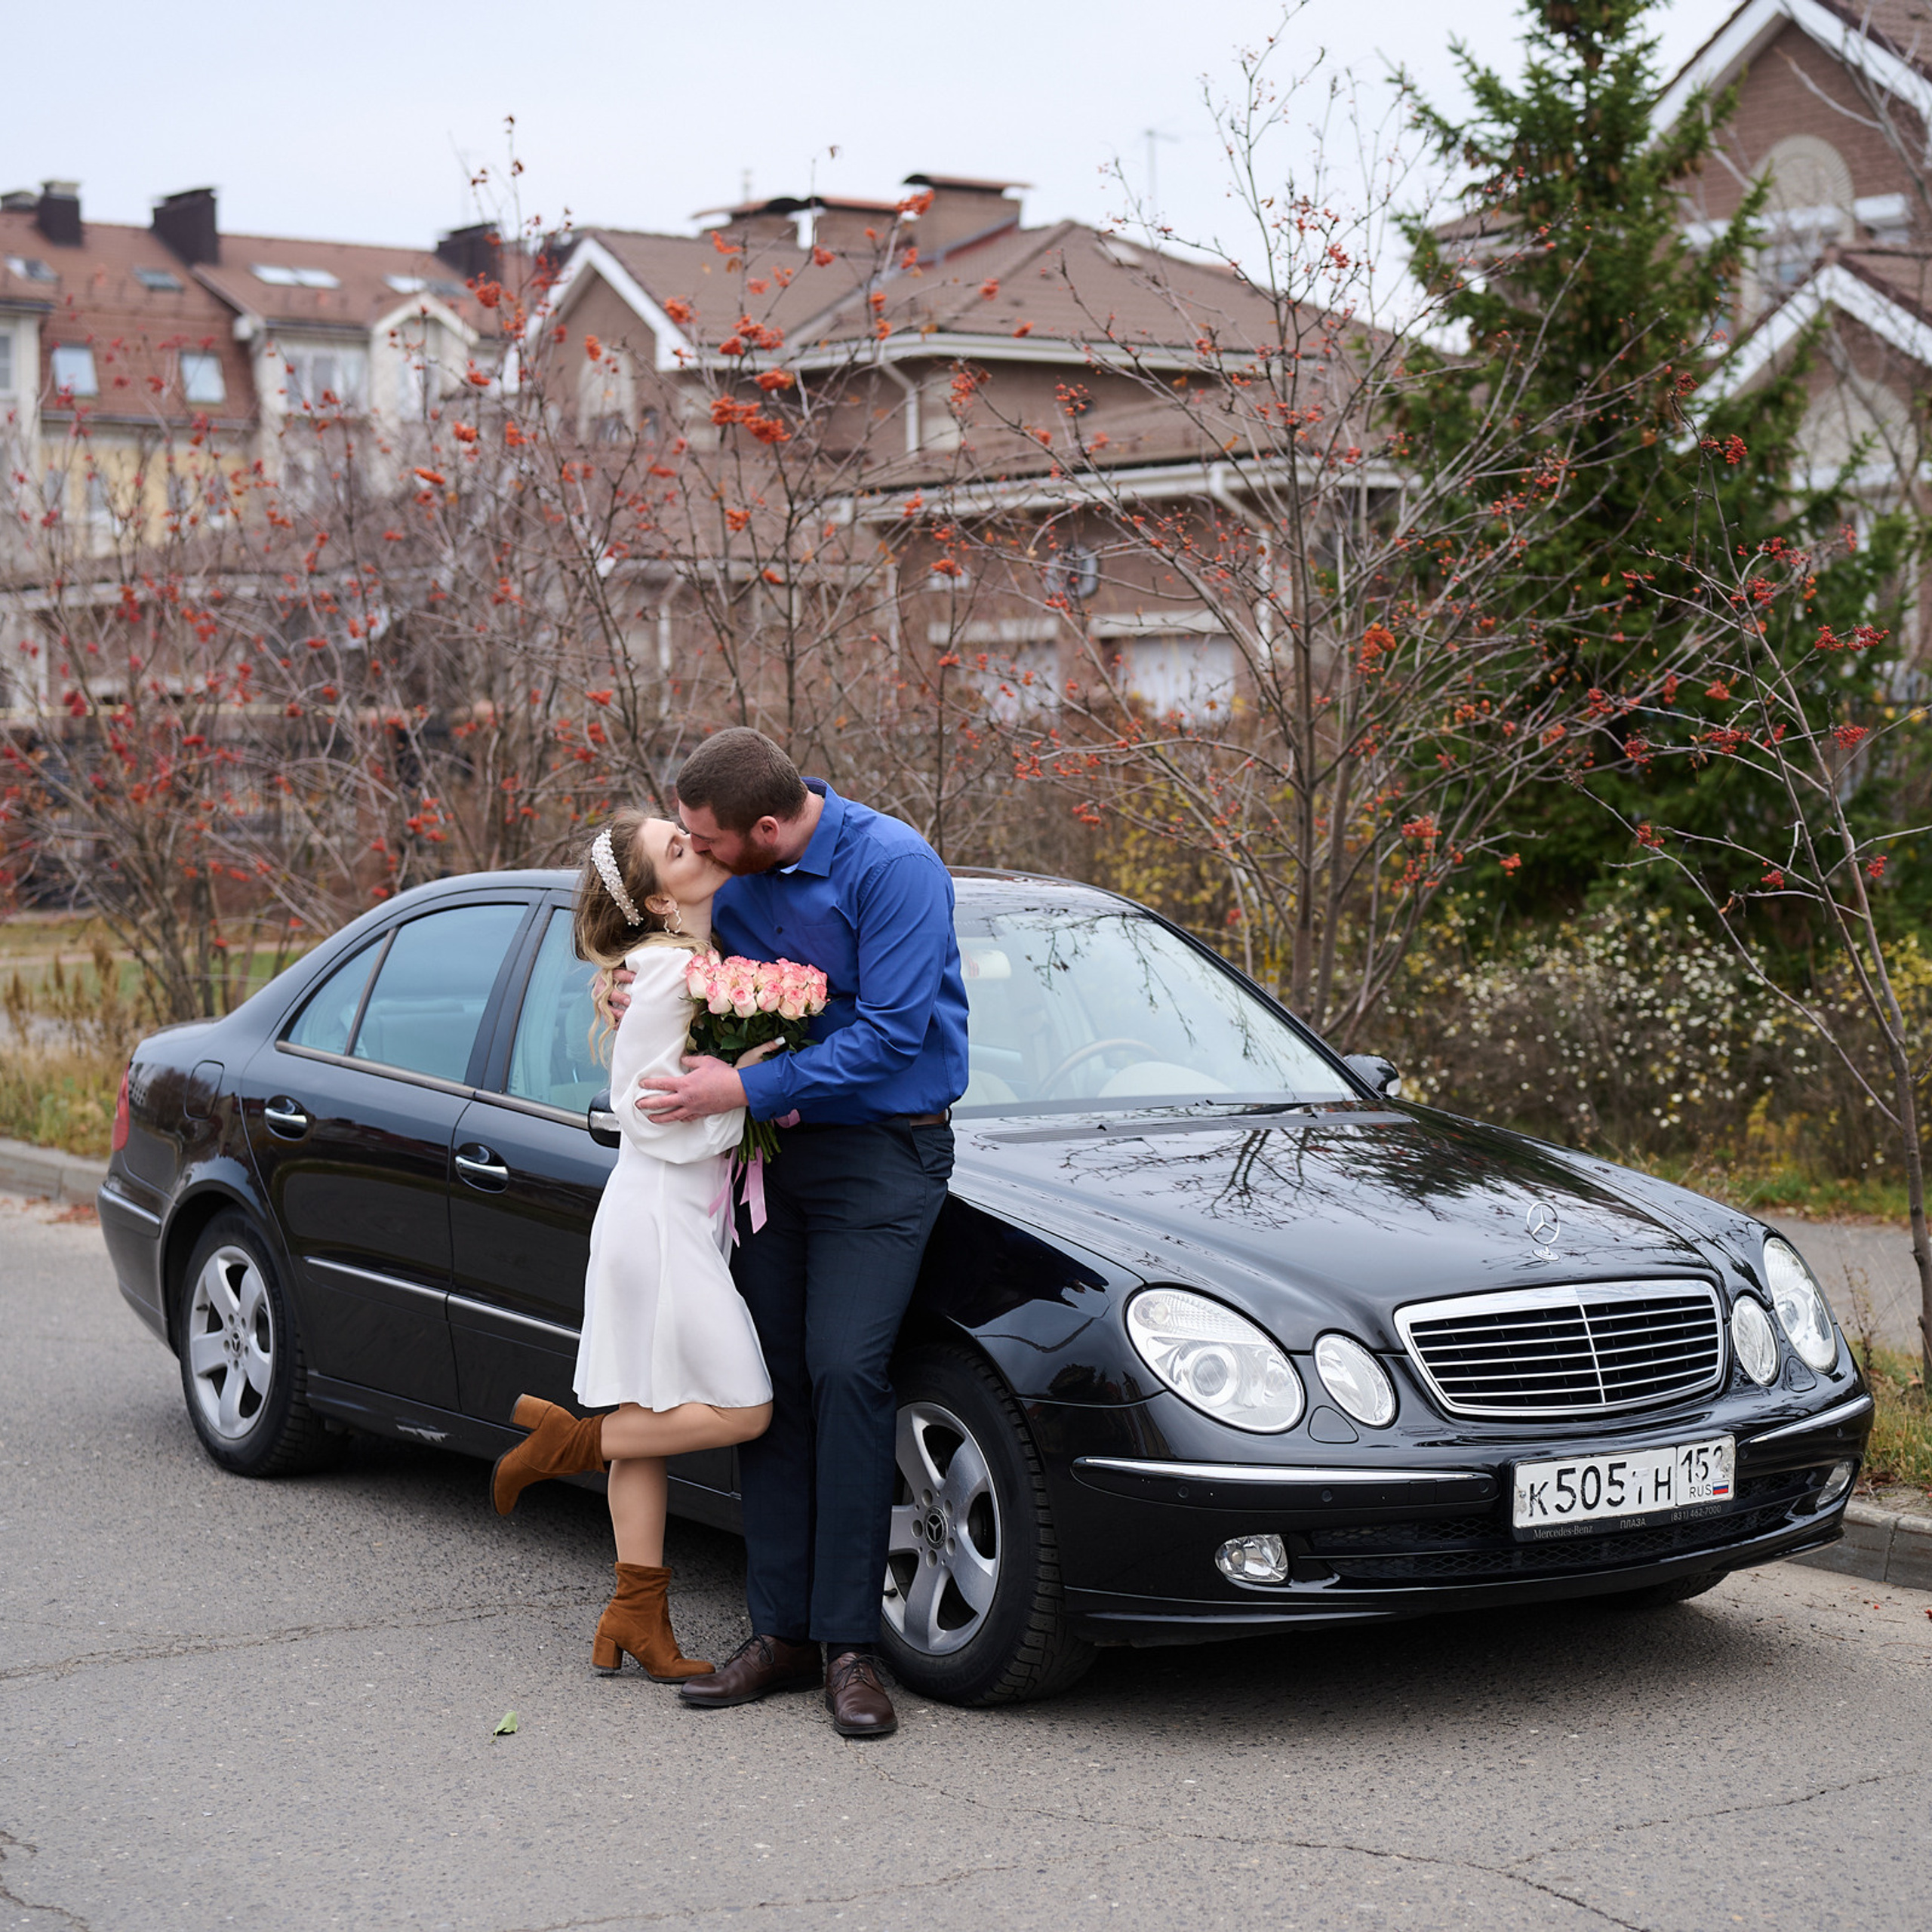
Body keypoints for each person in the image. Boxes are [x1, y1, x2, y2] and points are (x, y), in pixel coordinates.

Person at [635, 728, 968, 1740]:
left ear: (769, 827)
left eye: (708, 838)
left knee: (845, 1369)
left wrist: (745, 1085)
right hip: (770, 1156)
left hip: (884, 1151)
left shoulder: (893, 867)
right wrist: (631, 992)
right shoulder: (731, 883)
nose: (698, 853)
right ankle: (777, 1632)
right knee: (767, 1380)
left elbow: (894, 1035)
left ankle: (850, 1648)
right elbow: (675, 959)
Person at [489, 808, 775, 1682]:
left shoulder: (684, 963)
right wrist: (744, 1088)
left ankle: (635, 1614)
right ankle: (569, 1445)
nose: (696, 844)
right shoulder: (666, 974)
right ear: (656, 899)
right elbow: (648, 1118)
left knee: (645, 1417)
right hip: (658, 1221)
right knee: (746, 1409)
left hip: (669, 1218)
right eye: (676, 847)